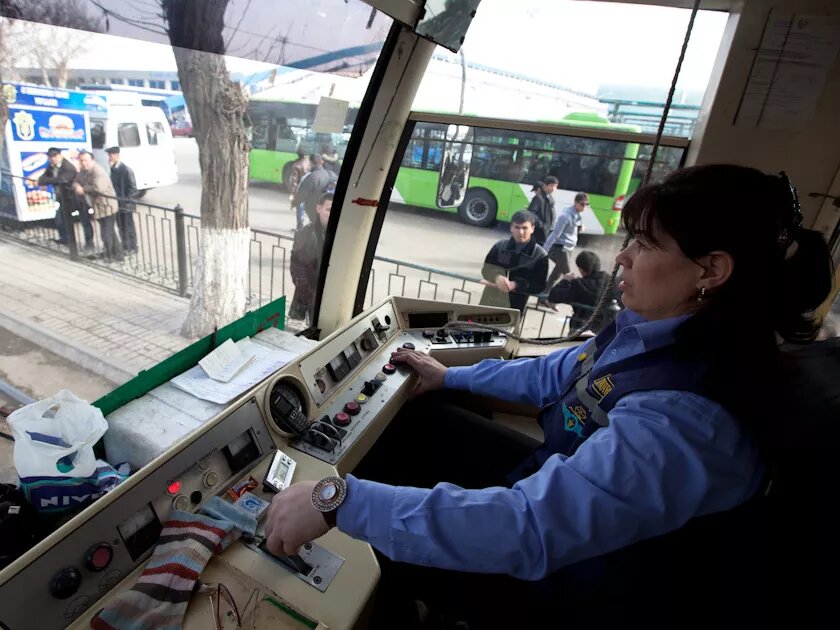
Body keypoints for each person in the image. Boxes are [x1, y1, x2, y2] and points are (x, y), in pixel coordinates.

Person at [262, 165, 834, 627]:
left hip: (585, 580)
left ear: (711, 269)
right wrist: (450, 376)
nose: (623, 256)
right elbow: (561, 374)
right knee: (426, 417)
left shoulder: (688, 415)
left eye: (643, 242)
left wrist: (341, 502)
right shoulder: (660, 329)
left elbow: (530, 527)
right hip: (560, 475)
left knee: (379, 552)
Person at [478, 210, 548, 314]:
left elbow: (539, 285)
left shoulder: (540, 255)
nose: (520, 232)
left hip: (514, 307)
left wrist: (516, 284)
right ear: (511, 227)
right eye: (517, 227)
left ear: (532, 228)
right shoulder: (499, 246)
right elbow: (486, 269)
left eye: (525, 228)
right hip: (488, 301)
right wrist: (497, 277)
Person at [30, 147, 92, 250]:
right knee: (60, 219)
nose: (53, 159)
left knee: (84, 220)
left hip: (76, 197)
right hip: (64, 198)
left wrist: (46, 181)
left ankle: (89, 242)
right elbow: (43, 178)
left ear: (60, 155)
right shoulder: (51, 166)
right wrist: (44, 181)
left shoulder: (68, 167)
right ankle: (65, 239)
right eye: (51, 157)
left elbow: (62, 180)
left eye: (55, 156)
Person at [547, 250, 621, 333]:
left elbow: (553, 295)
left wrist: (565, 281)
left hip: (580, 328)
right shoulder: (611, 281)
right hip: (606, 331)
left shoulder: (579, 285)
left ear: (581, 269)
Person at [289, 192, 333, 322]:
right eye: (328, 209)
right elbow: (296, 264)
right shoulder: (305, 234)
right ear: (319, 209)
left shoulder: (342, 234)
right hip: (311, 296)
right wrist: (306, 288)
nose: (332, 214)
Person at [73, 151, 123, 262]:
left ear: (92, 160)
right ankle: (117, 254)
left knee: (107, 232)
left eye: (86, 160)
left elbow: (99, 188)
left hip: (107, 205)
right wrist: (76, 185)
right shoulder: (84, 171)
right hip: (98, 206)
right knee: (108, 231)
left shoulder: (98, 171)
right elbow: (76, 180)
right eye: (81, 161)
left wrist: (83, 189)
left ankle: (110, 255)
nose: (84, 163)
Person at [542, 192, 588, 302]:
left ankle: (544, 296)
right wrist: (544, 249)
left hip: (569, 248)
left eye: (587, 204)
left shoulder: (577, 215)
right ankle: (554, 299)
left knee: (556, 274)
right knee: (569, 276)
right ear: (575, 203)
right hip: (561, 248)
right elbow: (555, 234)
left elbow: (575, 229)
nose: (584, 207)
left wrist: (581, 228)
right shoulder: (565, 216)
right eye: (582, 204)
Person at [105, 147, 138, 253]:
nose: (109, 157)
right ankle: (125, 245)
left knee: (128, 226)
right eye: (109, 155)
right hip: (118, 203)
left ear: (116, 155)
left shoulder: (126, 170)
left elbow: (133, 188)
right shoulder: (113, 168)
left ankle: (132, 246)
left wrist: (126, 200)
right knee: (121, 226)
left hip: (125, 204)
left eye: (111, 155)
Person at [291, 154, 335, 230]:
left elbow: (302, 194)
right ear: (321, 162)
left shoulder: (312, 177)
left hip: (316, 208)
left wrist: (294, 203)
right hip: (328, 207)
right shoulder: (331, 174)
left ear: (311, 163)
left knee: (318, 228)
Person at [526, 176, 558, 246]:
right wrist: (541, 225)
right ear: (545, 185)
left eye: (555, 186)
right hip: (538, 234)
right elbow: (531, 214)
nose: (553, 189)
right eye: (551, 186)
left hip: (546, 233)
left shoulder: (549, 197)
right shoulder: (538, 198)